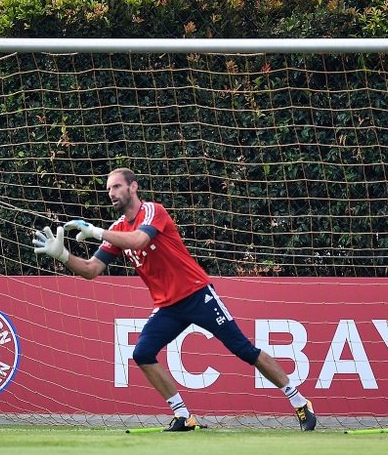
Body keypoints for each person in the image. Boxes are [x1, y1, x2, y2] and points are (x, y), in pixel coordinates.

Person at [33, 167, 316, 431]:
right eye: (109, 189)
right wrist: (63, 255)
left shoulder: (152, 211)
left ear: (133, 187)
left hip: (197, 294)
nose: (112, 193)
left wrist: (94, 231)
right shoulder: (117, 228)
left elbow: (139, 241)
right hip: (168, 306)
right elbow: (91, 270)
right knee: (142, 353)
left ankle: (300, 403)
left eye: (117, 186)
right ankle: (184, 416)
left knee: (243, 349)